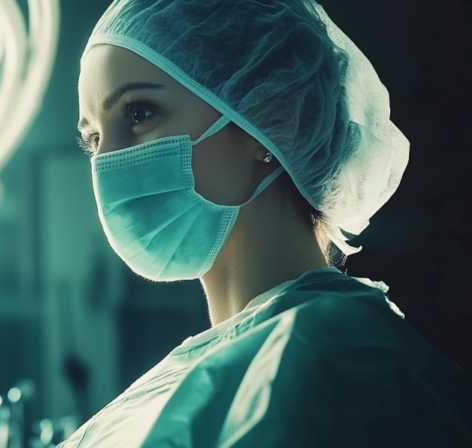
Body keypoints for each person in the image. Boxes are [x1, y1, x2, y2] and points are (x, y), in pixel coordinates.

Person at [65, 0, 472, 446]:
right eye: (93, 138)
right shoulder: (216, 364)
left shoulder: (327, 351)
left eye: (139, 114)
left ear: (275, 119)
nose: (106, 161)